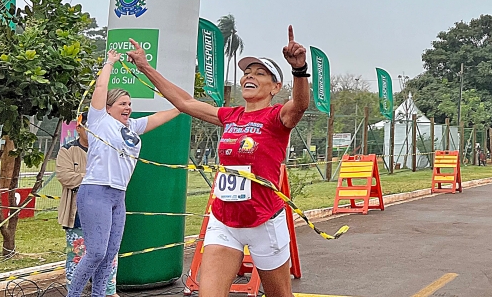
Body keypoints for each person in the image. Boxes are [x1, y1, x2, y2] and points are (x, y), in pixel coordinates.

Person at [127, 26, 310, 297]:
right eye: (247, 72)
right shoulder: (230, 115)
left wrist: (300, 69)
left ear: (275, 87)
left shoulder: (277, 117)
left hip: (264, 222)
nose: (250, 76)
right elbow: (185, 102)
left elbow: (300, 105)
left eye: (260, 73)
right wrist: (145, 67)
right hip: (224, 221)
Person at [67, 51, 181, 297]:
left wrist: (185, 106)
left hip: (118, 196)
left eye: (130, 104)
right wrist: (110, 62)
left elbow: (160, 117)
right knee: (95, 252)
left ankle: (99, 295)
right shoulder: (99, 120)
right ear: (108, 108)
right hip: (96, 191)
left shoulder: (132, 127)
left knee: (109, 255)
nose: (128, 107)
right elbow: (101, 86)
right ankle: (73, 295)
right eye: (122, 104)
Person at [57, 112, 117, 297]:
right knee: (77, 256)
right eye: (88, 127)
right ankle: (75, 292)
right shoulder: (67, 150)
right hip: (77, 215)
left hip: (106, 213)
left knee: (109, 256)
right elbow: (65, 177)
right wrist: (96, 180)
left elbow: (116, 176)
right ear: (79, 128)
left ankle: (108, 291)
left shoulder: (109, 150)